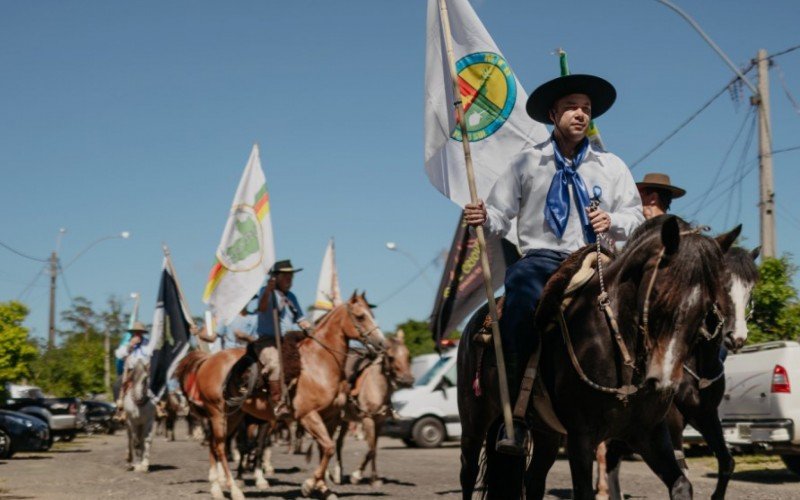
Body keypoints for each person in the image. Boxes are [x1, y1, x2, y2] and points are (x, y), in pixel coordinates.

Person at [464, 74, 645, 454]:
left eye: (587, 109)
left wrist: (614, 221)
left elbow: (637, 219)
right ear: (552, 114)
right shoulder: (527, 162)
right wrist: (484, 216)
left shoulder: (612, 166)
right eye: (571, 107)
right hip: (542, 260)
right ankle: (512, 417)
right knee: (519, 301)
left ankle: (643, 404)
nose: (580, 114)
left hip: (597, 260)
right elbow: (500, 214)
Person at [226, 259, 312, 418]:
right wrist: (268, 292)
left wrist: (310, 328)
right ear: (276, 277)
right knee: (275, 363)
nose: (289, 280)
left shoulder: (291, 296)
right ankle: (278, 403)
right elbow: (262, 307)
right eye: (286, 276)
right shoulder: (266, 292)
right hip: (267, 341)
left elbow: (300, 318)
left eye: (291, 276)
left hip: (289, 340)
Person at [114, 322, 151, 413]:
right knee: (116, 386)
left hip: (144, 370)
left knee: (156, 384)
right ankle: (119, 409)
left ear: (142, 333)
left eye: (139, 332)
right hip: (130, 371)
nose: (137, 334)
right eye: (135, 332)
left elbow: (151, 354)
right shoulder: (127, 343)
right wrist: (130, 345)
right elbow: (119, 354)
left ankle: (159, 407)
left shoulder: (147, 343)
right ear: (132, 333)